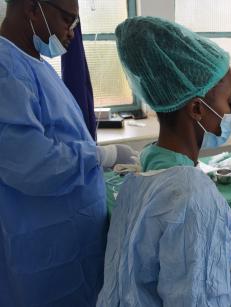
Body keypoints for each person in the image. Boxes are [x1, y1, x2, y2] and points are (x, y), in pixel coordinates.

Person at [96, 16, 231, 306]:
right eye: (228, 100)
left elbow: (170, 251)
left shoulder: (145, 170)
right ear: (197, 108)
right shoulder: (191, 195)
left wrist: (229, 229)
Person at [0, 1, 138, 306]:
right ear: (32, 8)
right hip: (42, 257)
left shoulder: (34, 65)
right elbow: (32, 164)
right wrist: (102, 157)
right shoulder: (5, 69)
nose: (72, 33)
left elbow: (62, 139)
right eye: (67, 20)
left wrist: (98, 157)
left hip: (70, 245)